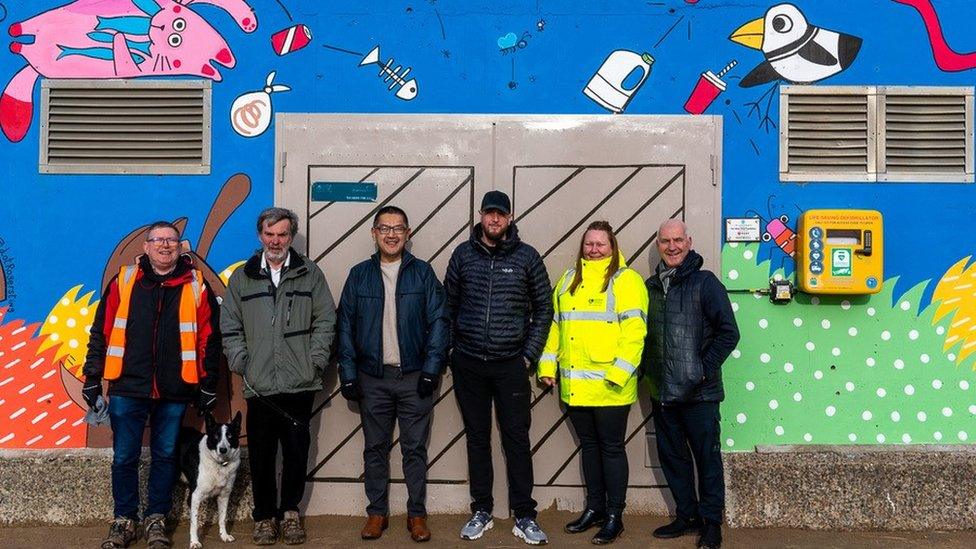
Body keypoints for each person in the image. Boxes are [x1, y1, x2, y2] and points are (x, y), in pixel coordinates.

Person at [82, 221, 221, 549]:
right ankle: (124, 520)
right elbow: (101, 330)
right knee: (124, 456)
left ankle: (156, 518)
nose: (165, 245)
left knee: (165, 456)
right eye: (157, 240)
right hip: (128, 386)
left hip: (175, 388)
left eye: (171, 240)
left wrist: (209, 384)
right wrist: (91, 376)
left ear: (179, 247)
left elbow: (210, 339)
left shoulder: (196, 284)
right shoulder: (125, 281)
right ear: (145, 247)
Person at [221, 207, 337, 546]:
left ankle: (290, 513)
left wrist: (315, 361)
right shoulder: (243, 278)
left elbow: (326, 321)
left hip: (299, 383)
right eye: (270, 235)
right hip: (259, 385)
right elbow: (230, 326)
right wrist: (242, 361)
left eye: (283, 234)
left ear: (291, 237)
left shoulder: (309, 274)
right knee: (261, 454)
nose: (276, 241)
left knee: (297, 451)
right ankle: (264, 517)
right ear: (260, 236)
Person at [444, 190, 553, 545]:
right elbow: (448, 305)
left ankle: (525, 515)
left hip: (511, 365)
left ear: (509, 217)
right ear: (481, 215)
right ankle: (482, 510)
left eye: (500, 214)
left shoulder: (527, 257)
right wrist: (451, 350)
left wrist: (528, 355)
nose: (494, 219)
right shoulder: (463, 255)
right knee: (477, 439)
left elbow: (544, 309)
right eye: (489, 213)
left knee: (516, 439)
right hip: (469, 363)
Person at [337, 205, 449, 543]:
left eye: (398, 228)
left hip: (414, 377)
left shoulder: (423, 274)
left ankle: (416, 515)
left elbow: (439, 322)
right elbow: (344, 326)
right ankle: (377, 514)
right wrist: (349, 373)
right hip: (373, 378)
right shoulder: (359, 275)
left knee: (414, 449)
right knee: (375, 449)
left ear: (408, 233)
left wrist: (431, 369)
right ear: (374, 233)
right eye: (384, 228)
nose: (391, 234)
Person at [538, 221, 647, 545]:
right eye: (589, 244)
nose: (594, 249)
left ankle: (615, 516)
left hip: (611, 387)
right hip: (576, 386)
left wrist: (618, 373)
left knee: (611, 449)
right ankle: (595, 509)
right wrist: (547, 364)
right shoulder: (569, 280)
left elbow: (635, 333)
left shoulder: (626, 281)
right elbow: (557, 327)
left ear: (612, 247)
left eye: (600, 244)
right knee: (589, 448)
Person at [643, 220, 739, 549]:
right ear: (658, 245)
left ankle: (711, 522)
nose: (672, 246)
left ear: (689, 242)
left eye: (678, 240)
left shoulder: (706, 283)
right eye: (666, 241)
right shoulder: (650, 286)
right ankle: (686, 515)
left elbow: (729, 333)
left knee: (706, 459)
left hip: (700, 394)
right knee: (673, 458)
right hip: (664, 392)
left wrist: (702, 370)